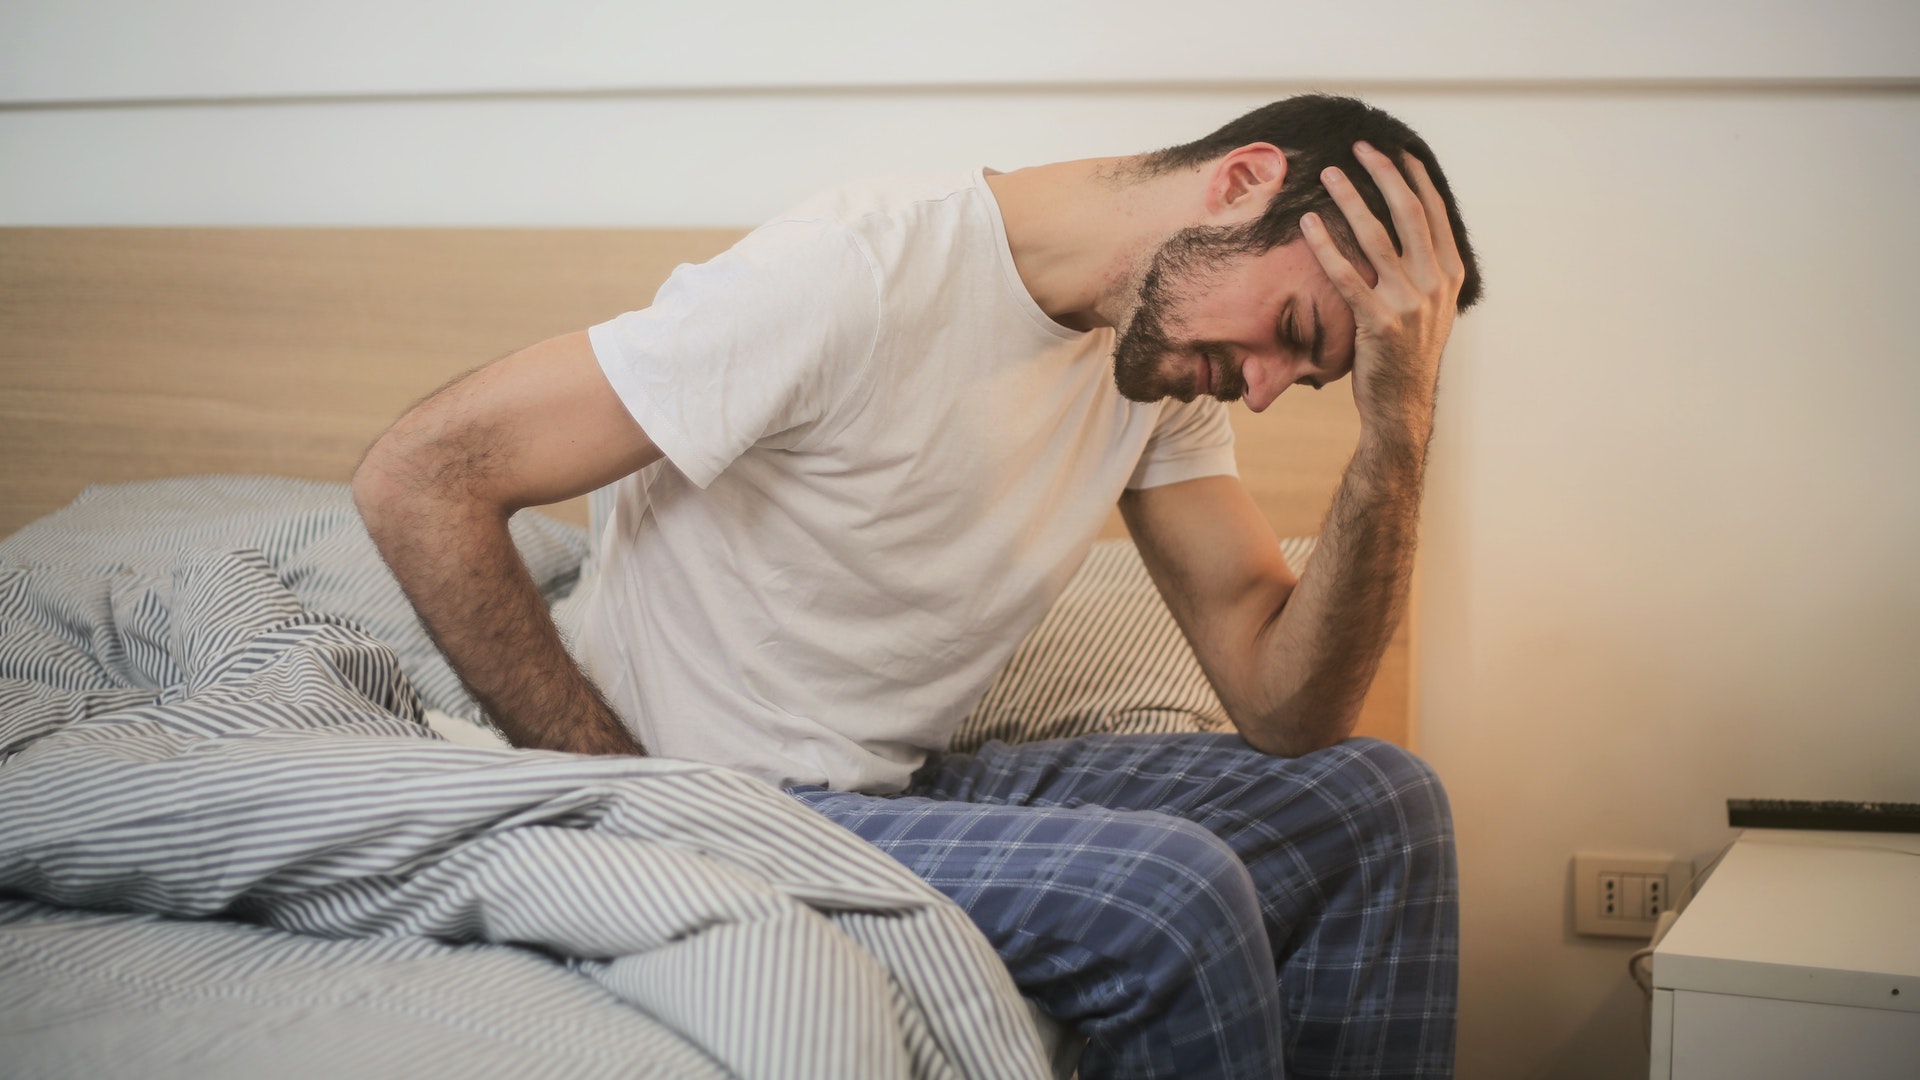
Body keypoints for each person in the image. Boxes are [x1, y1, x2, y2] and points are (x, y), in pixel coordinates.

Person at [354, 94, 1483, 1079]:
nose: (1270, 389)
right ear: (1241, 182)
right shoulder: (853, 274)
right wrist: (627, 793)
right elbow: (422, 477)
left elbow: (1288, 708)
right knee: (1167, 898)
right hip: (721, 794)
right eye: (1291, 332)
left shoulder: (1159, 364)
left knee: (1376, 804)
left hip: (889, 786)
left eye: (1314, 374)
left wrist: (1398, 420)